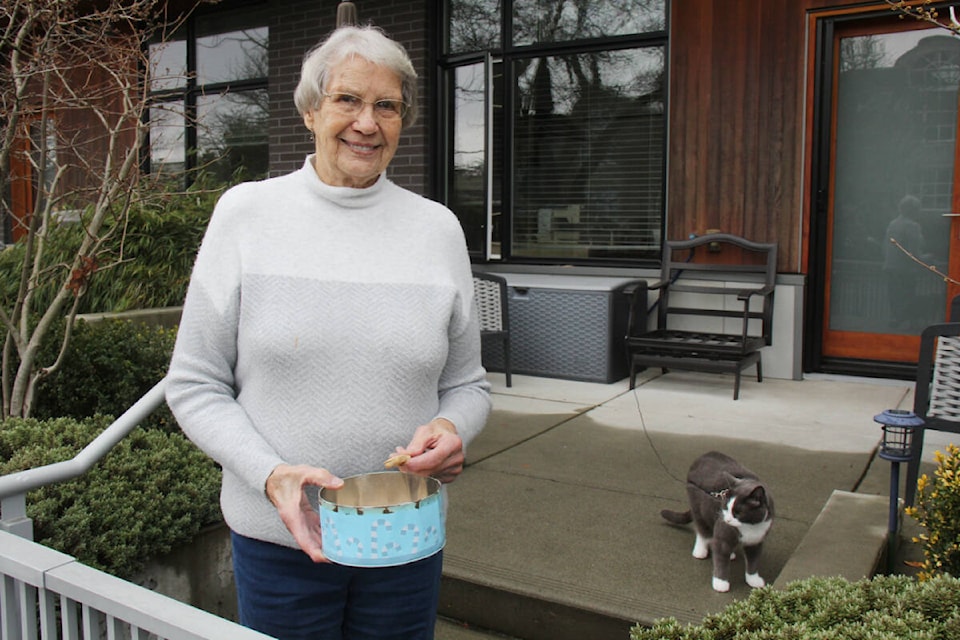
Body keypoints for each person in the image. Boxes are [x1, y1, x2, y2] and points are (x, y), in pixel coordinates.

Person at [165, 25, 491, 640]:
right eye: (347, 99)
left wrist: (452, 429)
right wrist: (270, 474)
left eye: (386, 105)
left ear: (403, 121)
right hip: (279, 541)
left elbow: (468, 384)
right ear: (311, 110)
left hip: (404, 538)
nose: (366, 122)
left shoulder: (438, 230)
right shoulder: (245, 215)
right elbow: (194, 384)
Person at [882, 194, 926, 331]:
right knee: (909, 296)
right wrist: (928, 258)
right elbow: (913, 253)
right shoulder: (913, 226)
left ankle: (895, 320)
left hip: (890, 267)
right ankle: (912, 324)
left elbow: (886, 246)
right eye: (918, 209)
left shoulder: (893, 224)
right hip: (906, 270)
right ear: (913, 210)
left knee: (895, 296)